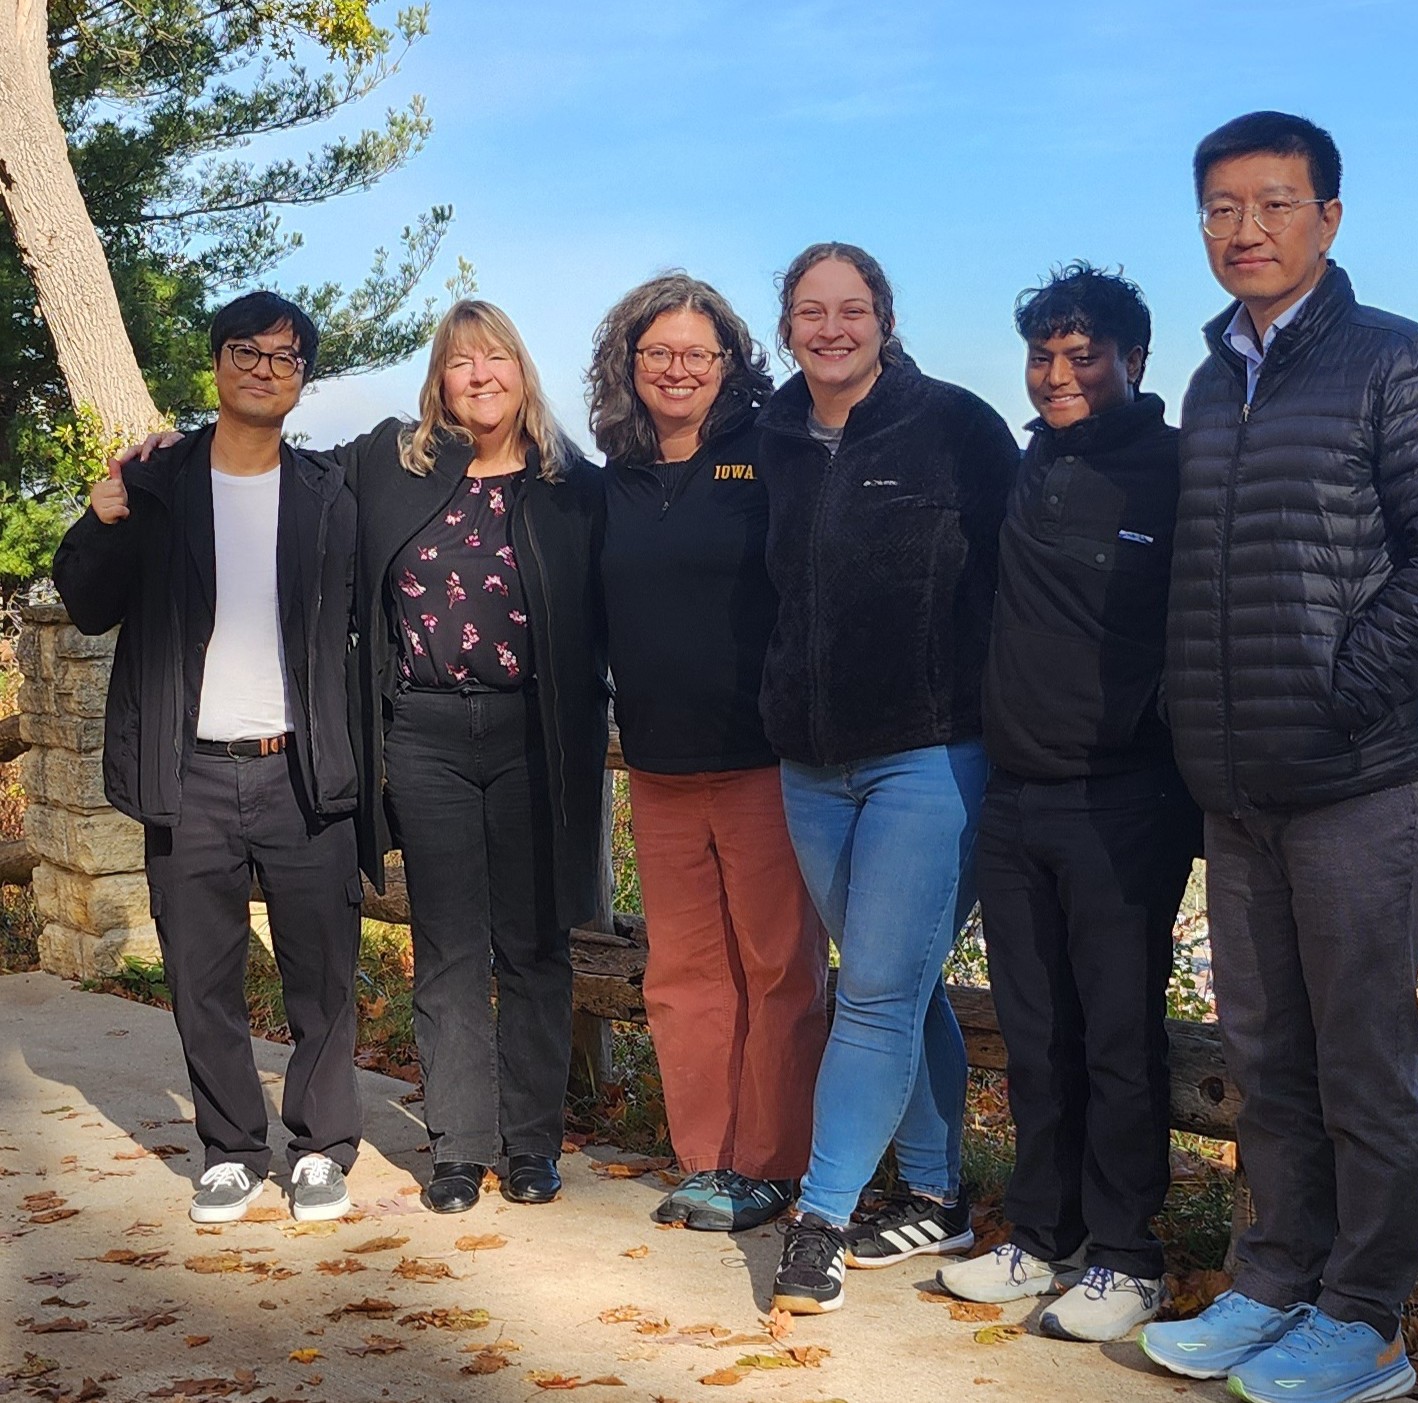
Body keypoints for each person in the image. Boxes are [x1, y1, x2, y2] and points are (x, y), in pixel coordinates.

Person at [1138, 113, 1418, 1403]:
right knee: (1268, 1054)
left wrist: (1339, 698)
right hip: (1236, 790)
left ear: (1328, 219)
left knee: (1360, 1060)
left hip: (1358, 777)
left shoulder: (1402, 362)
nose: (1244, 229)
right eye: (1220, 209)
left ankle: (1369, 1319)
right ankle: (1271, 1278)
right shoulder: (1209, 380)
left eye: (1274, 204)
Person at [55, 292, 364, 1224]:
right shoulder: (156, 483)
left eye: (286, 356)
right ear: (218, 363)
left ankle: (320, 1147)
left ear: (302, 380)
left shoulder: (327, 493)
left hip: (300, 769)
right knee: (200, 973)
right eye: (247, 350)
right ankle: (231, 1147)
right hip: (185, 769)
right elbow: (86, 603)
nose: (265, 367)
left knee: (323, 970)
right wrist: (102, 515)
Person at [935, 264, 1199, 1342]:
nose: (1057, 373)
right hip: (1017, 791)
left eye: (1082, 352)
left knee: (1120, 1037)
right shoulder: (1028, 463)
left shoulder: (1179, 471)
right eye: (1043, 354)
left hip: (1126, 797)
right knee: (1038, 1034)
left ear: (1135, 359)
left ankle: (1130, 1255)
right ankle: (1044, 1237)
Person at [757, 243, 1020, 1315]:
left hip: (930, 749)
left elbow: (1019, 581)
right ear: (786, 327)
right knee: (894, 983)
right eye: (811, 311)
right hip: (809, 763)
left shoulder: (956, 427)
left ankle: (818, 1219)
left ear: (883, 318)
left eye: (851, 309)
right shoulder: (766, 435)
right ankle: (934, 1194)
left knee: (867, 990)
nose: (831, 328)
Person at [343, 300, 608, 1214]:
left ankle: (532, 1145)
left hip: (535, 734)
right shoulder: (395, 467)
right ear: (439, 381)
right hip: (423, 733)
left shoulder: (574, 489)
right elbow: (284, 480)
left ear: (523, 370)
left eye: (496, 357)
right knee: (448, 947)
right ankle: (458, 1147)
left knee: (534, 947)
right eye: (461, 362)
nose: (481, 374)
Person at [586, 273, 828, 1233]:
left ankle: (770, 1162)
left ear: (729, 362)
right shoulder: (612, 481)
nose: (677, 368)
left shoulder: (770, 454)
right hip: (657, 762)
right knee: (682, 970)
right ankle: (706, 1157)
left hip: (765, 758)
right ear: (630, 366)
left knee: (779, 966)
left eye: (697, 351)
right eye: (658, 353)